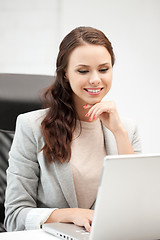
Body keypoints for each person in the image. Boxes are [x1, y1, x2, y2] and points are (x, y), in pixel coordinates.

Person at [4, 26, 141, 232]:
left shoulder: (127, 128)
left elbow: (137, 206)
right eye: (83, 70)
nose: (95, 79)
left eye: (103, 69)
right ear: (65, 73)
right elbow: (14, 217)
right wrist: (69, 214)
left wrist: (119, 133)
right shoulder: (31, 126)